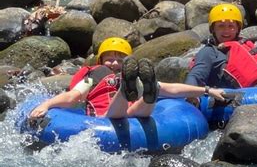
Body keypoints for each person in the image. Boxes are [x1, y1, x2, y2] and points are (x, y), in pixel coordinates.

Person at [29, 37, 225, 119]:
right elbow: (73, 96)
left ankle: (148, 91)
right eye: (109, 59)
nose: (114, 64)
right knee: (137, 103)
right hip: (106, 118)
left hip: (126, 115)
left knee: (152, 92)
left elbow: (172, 88)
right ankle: (130, 90)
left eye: (119, 60)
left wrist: (206, 90)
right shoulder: (94, 75)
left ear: (126, 64)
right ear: (100, 60)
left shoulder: (96, 75)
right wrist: (47, 105)